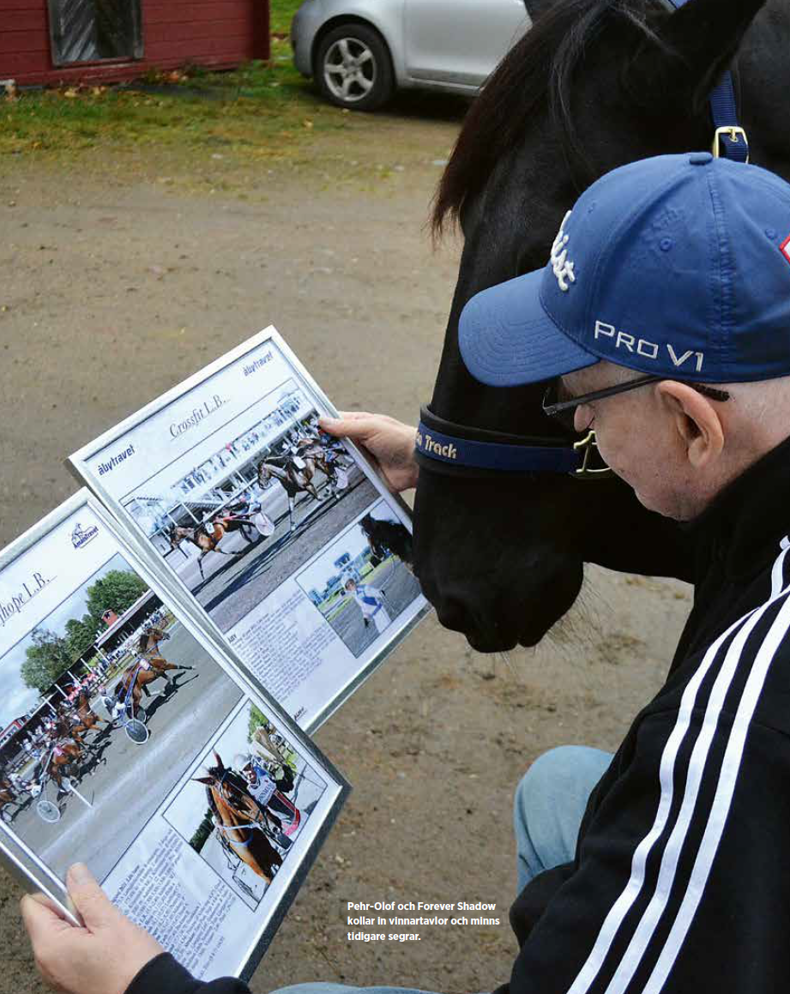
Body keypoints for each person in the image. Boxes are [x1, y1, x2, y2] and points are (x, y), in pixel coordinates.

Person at [23, 151, 790, 992]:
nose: (578, 428)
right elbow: (696, 528)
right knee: (561, 786)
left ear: (690, 422)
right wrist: (452, 461)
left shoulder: (744, 718)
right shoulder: (759, 476)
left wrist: (140, 987)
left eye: (580, 406)